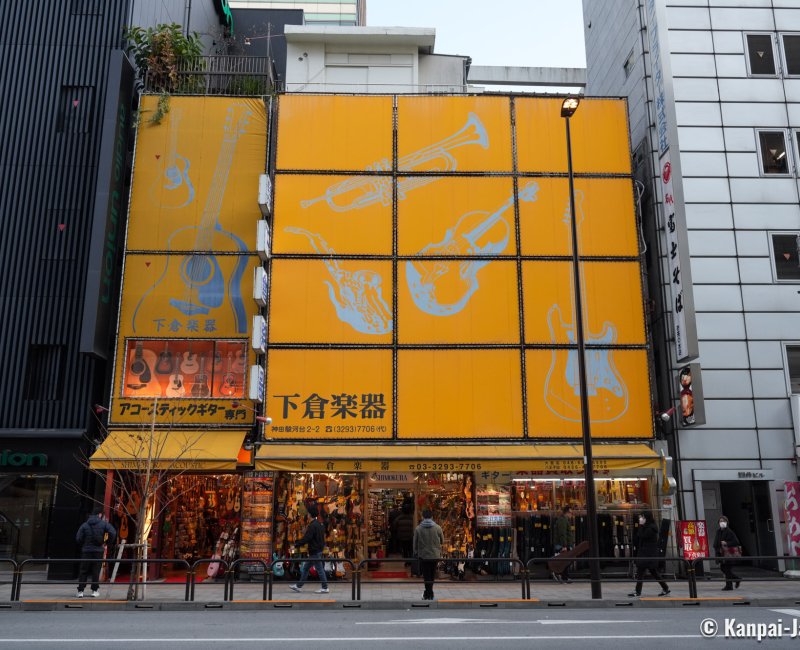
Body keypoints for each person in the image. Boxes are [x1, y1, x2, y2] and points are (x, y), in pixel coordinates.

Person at [628, 511, 670, 598]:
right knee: (650, 572)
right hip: (647, 554)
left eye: (642, 517)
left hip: (647, 554)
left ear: (647, 518)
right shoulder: (648, 527)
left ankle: (638, 591)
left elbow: (641, 535)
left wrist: (640, 526)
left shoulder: (650, 528)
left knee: (646, 572)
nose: (640, 519)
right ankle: (665, 588)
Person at [75, 509, 116, 598]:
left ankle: (80, 591)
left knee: (83, 570)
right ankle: (94, 590)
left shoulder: (85, 525)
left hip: (86, 550)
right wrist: (107, 543)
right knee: (96, 570)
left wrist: (84, 544)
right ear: (100, 515)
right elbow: (112, 532)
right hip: (98, 551)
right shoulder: (104, 524)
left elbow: (78, 538)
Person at [290, 503, 329, 594]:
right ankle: (298, 586)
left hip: (314, 551)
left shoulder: (312, 526)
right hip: (316, 550)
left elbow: (307, 538)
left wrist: (296, 544)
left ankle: (325, 587)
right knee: (306, 568)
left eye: (308, 513)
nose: (307, 515)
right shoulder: (319, 524)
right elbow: (322, 538)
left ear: (310, 514)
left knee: (319, 569)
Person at [413, 508, 443, 601]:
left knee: (426, 575)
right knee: (432, 573)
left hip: (423, 555)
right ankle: (429, 593)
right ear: (432, 517)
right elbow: (442, 540)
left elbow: (415, 543)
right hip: (434, 555)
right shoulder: (438, 528)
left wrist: (416, 552)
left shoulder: (418, 528)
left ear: (422, 517)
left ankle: (428, 593)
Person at [713, 515, 742, 591]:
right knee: (723, 568)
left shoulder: (729, 531)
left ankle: (729, 586)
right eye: (720, 521)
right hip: (721, 553)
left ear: (726, 522)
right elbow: (716, 542)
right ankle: (736, 579)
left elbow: (736, 542)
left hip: (729, 554)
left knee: (726, 569)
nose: (722, 522)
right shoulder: (718, 531)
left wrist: (726, 543)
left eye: (723, 521)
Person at [551, 505, 575, 583]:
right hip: (562, 544)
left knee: (565, 561)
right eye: (571, 513)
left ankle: (563, 576)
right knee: (566, 561)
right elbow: (562, 533)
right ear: (567, 512)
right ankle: (560, 574)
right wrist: (564, 545)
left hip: (563, 544)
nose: (572, 515)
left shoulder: (564, 520)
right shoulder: (562, 521)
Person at [392, 503, 415, 570]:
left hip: (402, 537)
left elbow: (394, 526)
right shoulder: (413, 518)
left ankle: (406, 561)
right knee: (410, 549)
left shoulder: (399, 518)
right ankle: (411, 561)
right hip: (411, 536)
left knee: (404, 550)